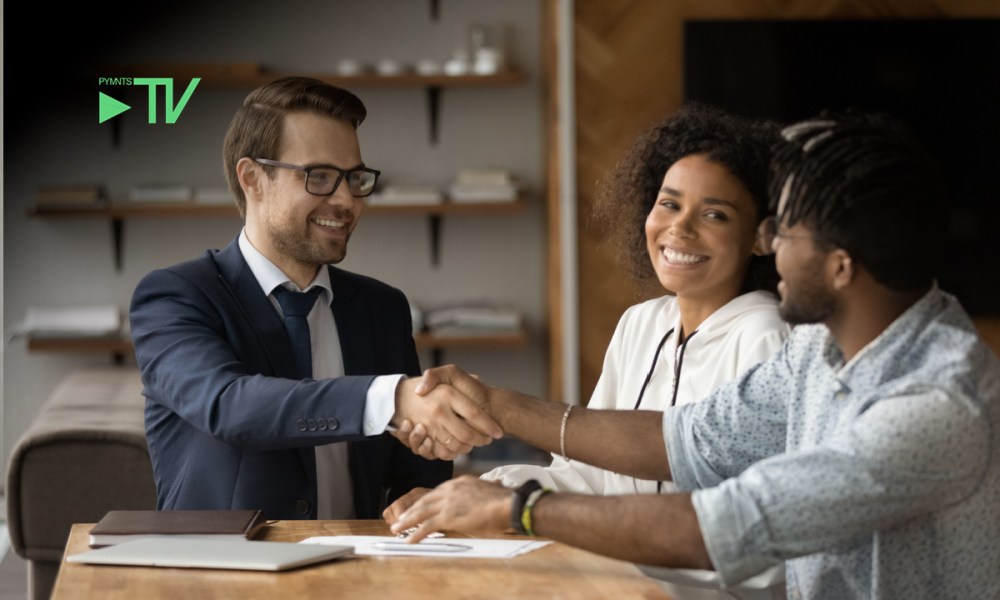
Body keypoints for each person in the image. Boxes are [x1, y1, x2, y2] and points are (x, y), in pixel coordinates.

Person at [387, 110, 1000, 599]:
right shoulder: (821, 346)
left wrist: (518, 509)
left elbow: (726, 525)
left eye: (781, 229)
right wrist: (495, 405)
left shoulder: (934, 409)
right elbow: (685, 440)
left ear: (840, 266)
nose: (766, 243)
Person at [386, 104, 791, 599]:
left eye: (714, 214)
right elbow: (587, 477)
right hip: (613, 585)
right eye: (668, 204)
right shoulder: (640, 324)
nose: (680, 229)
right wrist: (471, 496)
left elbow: (758, 540)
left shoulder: (767, 337)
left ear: (759, 237)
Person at [129, 76, 501, 521]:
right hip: (219, 579)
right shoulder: (176, 296)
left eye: (354, 178)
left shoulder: (383, 308)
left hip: (356, 574)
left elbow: (414, 465)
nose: (346, 200)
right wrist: (391, 398)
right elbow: (228, 405)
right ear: (253, 179)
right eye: (320, 176)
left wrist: (420, 490)